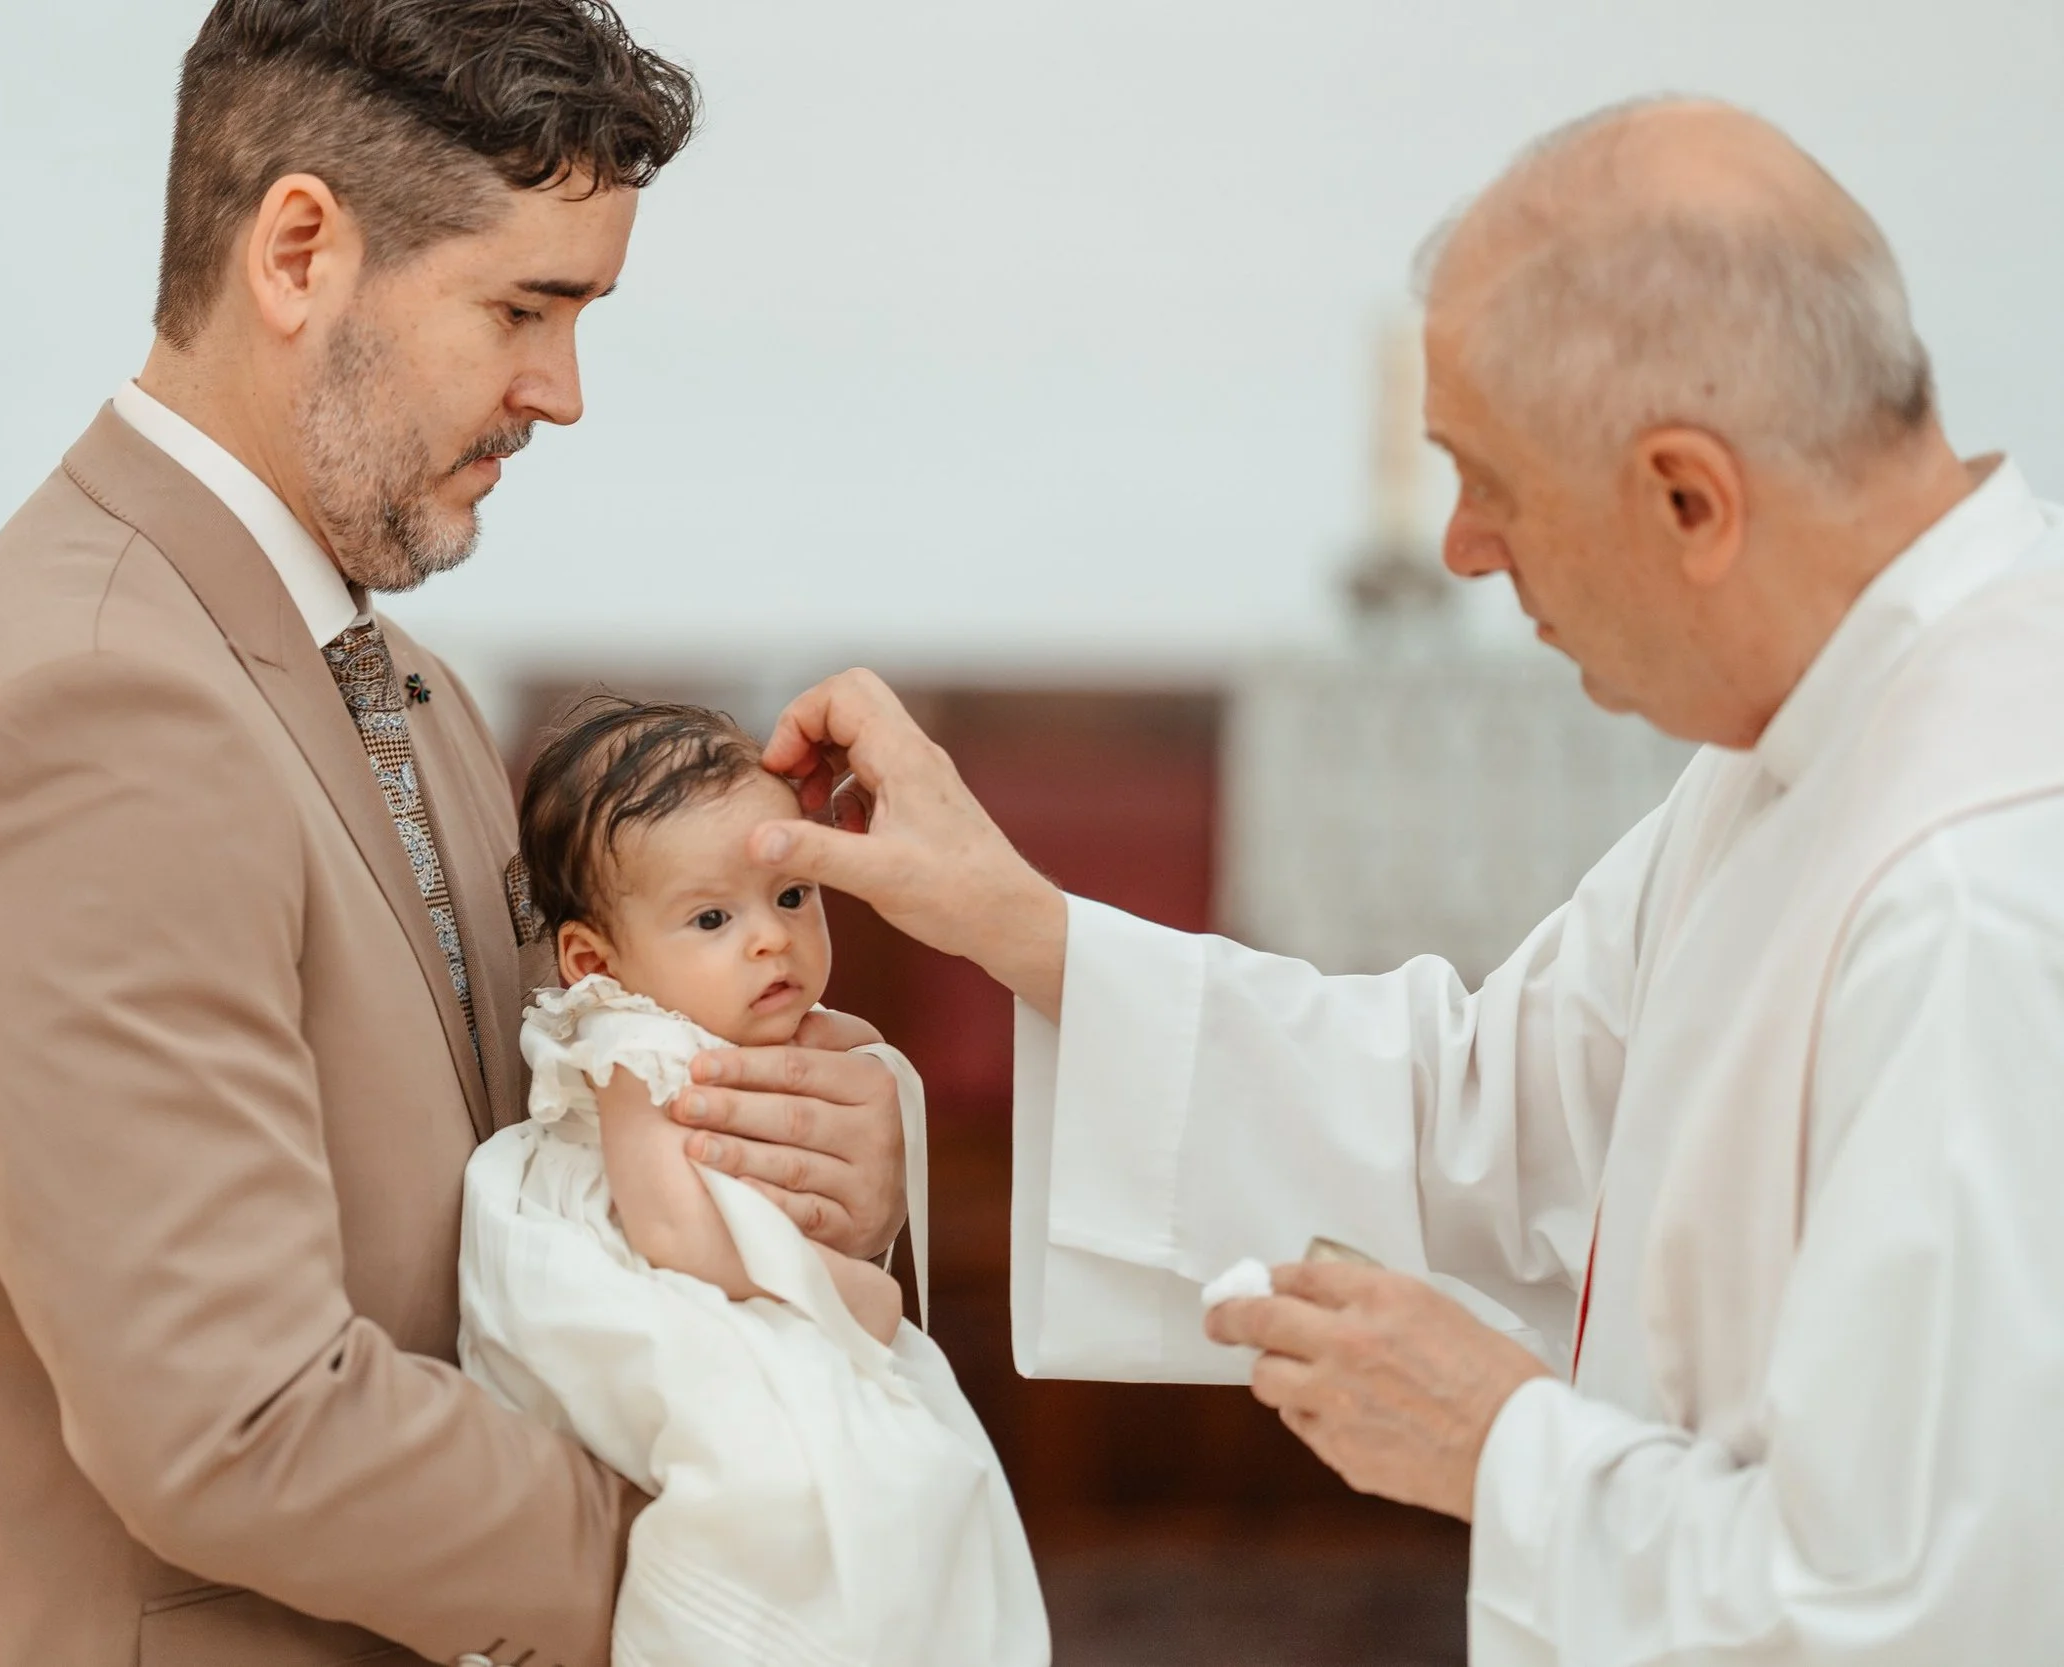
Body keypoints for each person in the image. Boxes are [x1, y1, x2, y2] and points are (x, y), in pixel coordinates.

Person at [680, 98, 2064, 1662]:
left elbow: (1928, 1608)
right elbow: (1484, 1114)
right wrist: (1029, 927)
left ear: (1689, 497)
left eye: (1492, 479)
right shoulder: (1811, 732)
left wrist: (1506, 1447)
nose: (1464, 546)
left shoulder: (1982, 876)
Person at [0, 7, 910, 1666]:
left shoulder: (396, 676)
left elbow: (489, 1197)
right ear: (301, 250)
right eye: (525, 308)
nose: (561, 393)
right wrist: (729, 1549)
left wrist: (780, 1183)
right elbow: (238, 1419)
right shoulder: (97, 712)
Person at [455, 699, 1046, 1665]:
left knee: (915, 1464)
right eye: (713, 917)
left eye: (791, 897)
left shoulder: (747, 1020)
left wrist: (865, 1068)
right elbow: (672, 1233)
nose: (771, 939)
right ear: (595, 962)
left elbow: (859, 1069)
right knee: (758, 1475)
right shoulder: (628, 1046)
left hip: (735, 1278)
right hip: (652, 1283)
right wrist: (842, 1287)